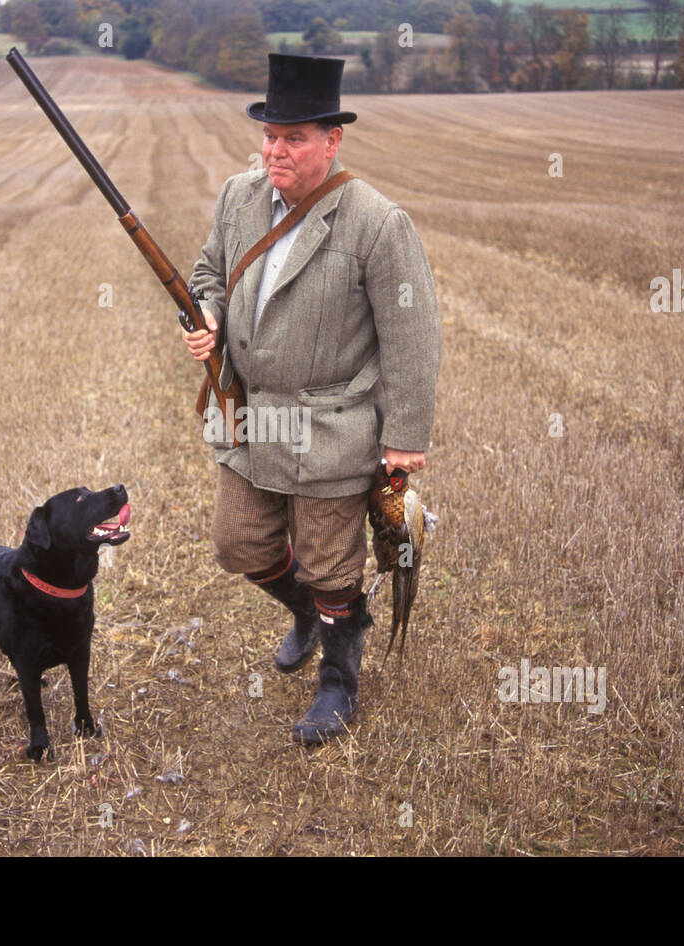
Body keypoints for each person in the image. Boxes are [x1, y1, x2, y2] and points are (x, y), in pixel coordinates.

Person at [181, 53, 440, 745]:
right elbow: (209, 270)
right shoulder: (240, 196)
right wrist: (208, 315)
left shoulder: (378, 224)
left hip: (329, 422)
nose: (276, 149)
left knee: (331, 563)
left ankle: (339, 681)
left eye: (294, 137)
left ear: (333, 140)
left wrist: (404, 437)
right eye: (270, 134)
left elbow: (412, 334)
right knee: (238, 543)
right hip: (247, 412)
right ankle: (312, 614)